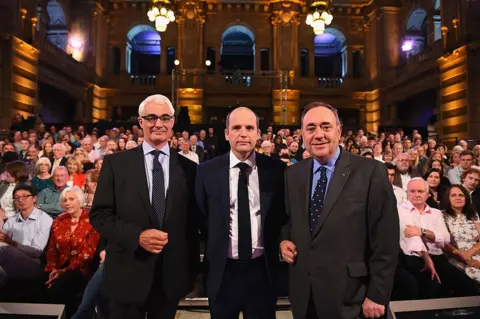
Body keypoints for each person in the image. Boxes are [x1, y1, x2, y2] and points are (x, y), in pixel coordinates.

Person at [280, 101, 399, 319]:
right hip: (305, 296)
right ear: (302, 134)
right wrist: (284, 240)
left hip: (352, 298)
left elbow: (386, 239)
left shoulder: (370, 171)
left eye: (326, 127)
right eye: (311, 128)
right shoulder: (293, 174)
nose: (318, 135)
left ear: (339, 130)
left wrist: (378, 294)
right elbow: (290, 221)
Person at [90, 94, 200, 319]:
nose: (158, 123)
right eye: (151, 118)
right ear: (140, 122)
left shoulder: (190, 169)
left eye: (164, 118)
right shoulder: (116, 164)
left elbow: (193, 222)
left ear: (172, 122)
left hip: (170, 276)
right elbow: (100, 215)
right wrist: (137, 236)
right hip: (126, 272)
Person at [196, 107, 286, 319]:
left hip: (263, 271)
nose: (243, 133)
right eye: (236, 128)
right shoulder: (206, 171)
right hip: (222, 272)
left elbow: (284, 216)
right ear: (227, 134)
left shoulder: (277, 170)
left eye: (249, 128)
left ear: (258, 134)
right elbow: (200, 219)